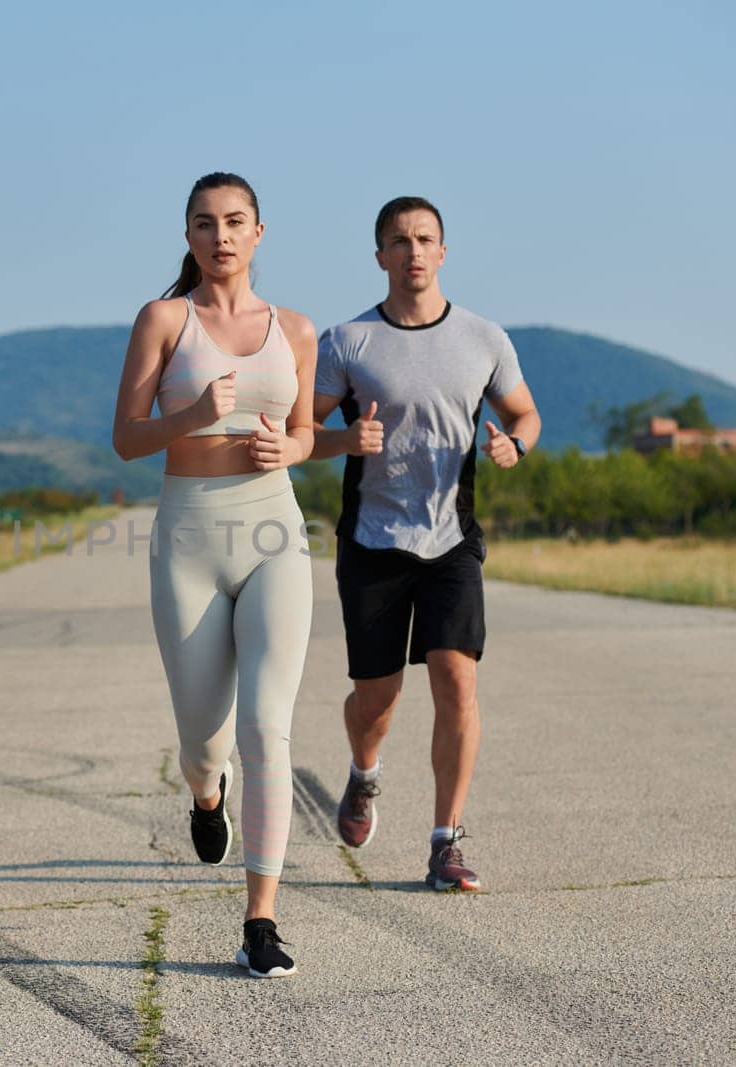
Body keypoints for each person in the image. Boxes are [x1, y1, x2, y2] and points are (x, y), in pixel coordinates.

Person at [113, 172, 317, 978]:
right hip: (190, 535)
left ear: (259, 232)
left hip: (276, 532)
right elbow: (127, 438)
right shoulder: (165, 319)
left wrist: (291, 450)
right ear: (189, 235)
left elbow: (305, 432)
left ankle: (260, 919)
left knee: (268, 727)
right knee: (205, 737)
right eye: (205, 223)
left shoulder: (296, 329)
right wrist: (191, 418)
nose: (221, 235)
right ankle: (207, 794)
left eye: (235, 222)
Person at [310, 196, 542, 891]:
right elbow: (299, 432)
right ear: (379, 255)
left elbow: (524, 413)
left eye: (426, 240)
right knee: (376, 702)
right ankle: (363, 773)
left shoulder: (483, 338)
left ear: (443, 252)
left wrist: (515, 447)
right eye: (400, 241)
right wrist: (345, 440)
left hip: (451, 540)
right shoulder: (347, 342)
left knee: (457, 680)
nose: (414, 252)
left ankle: (446, 841)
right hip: (374, 542)